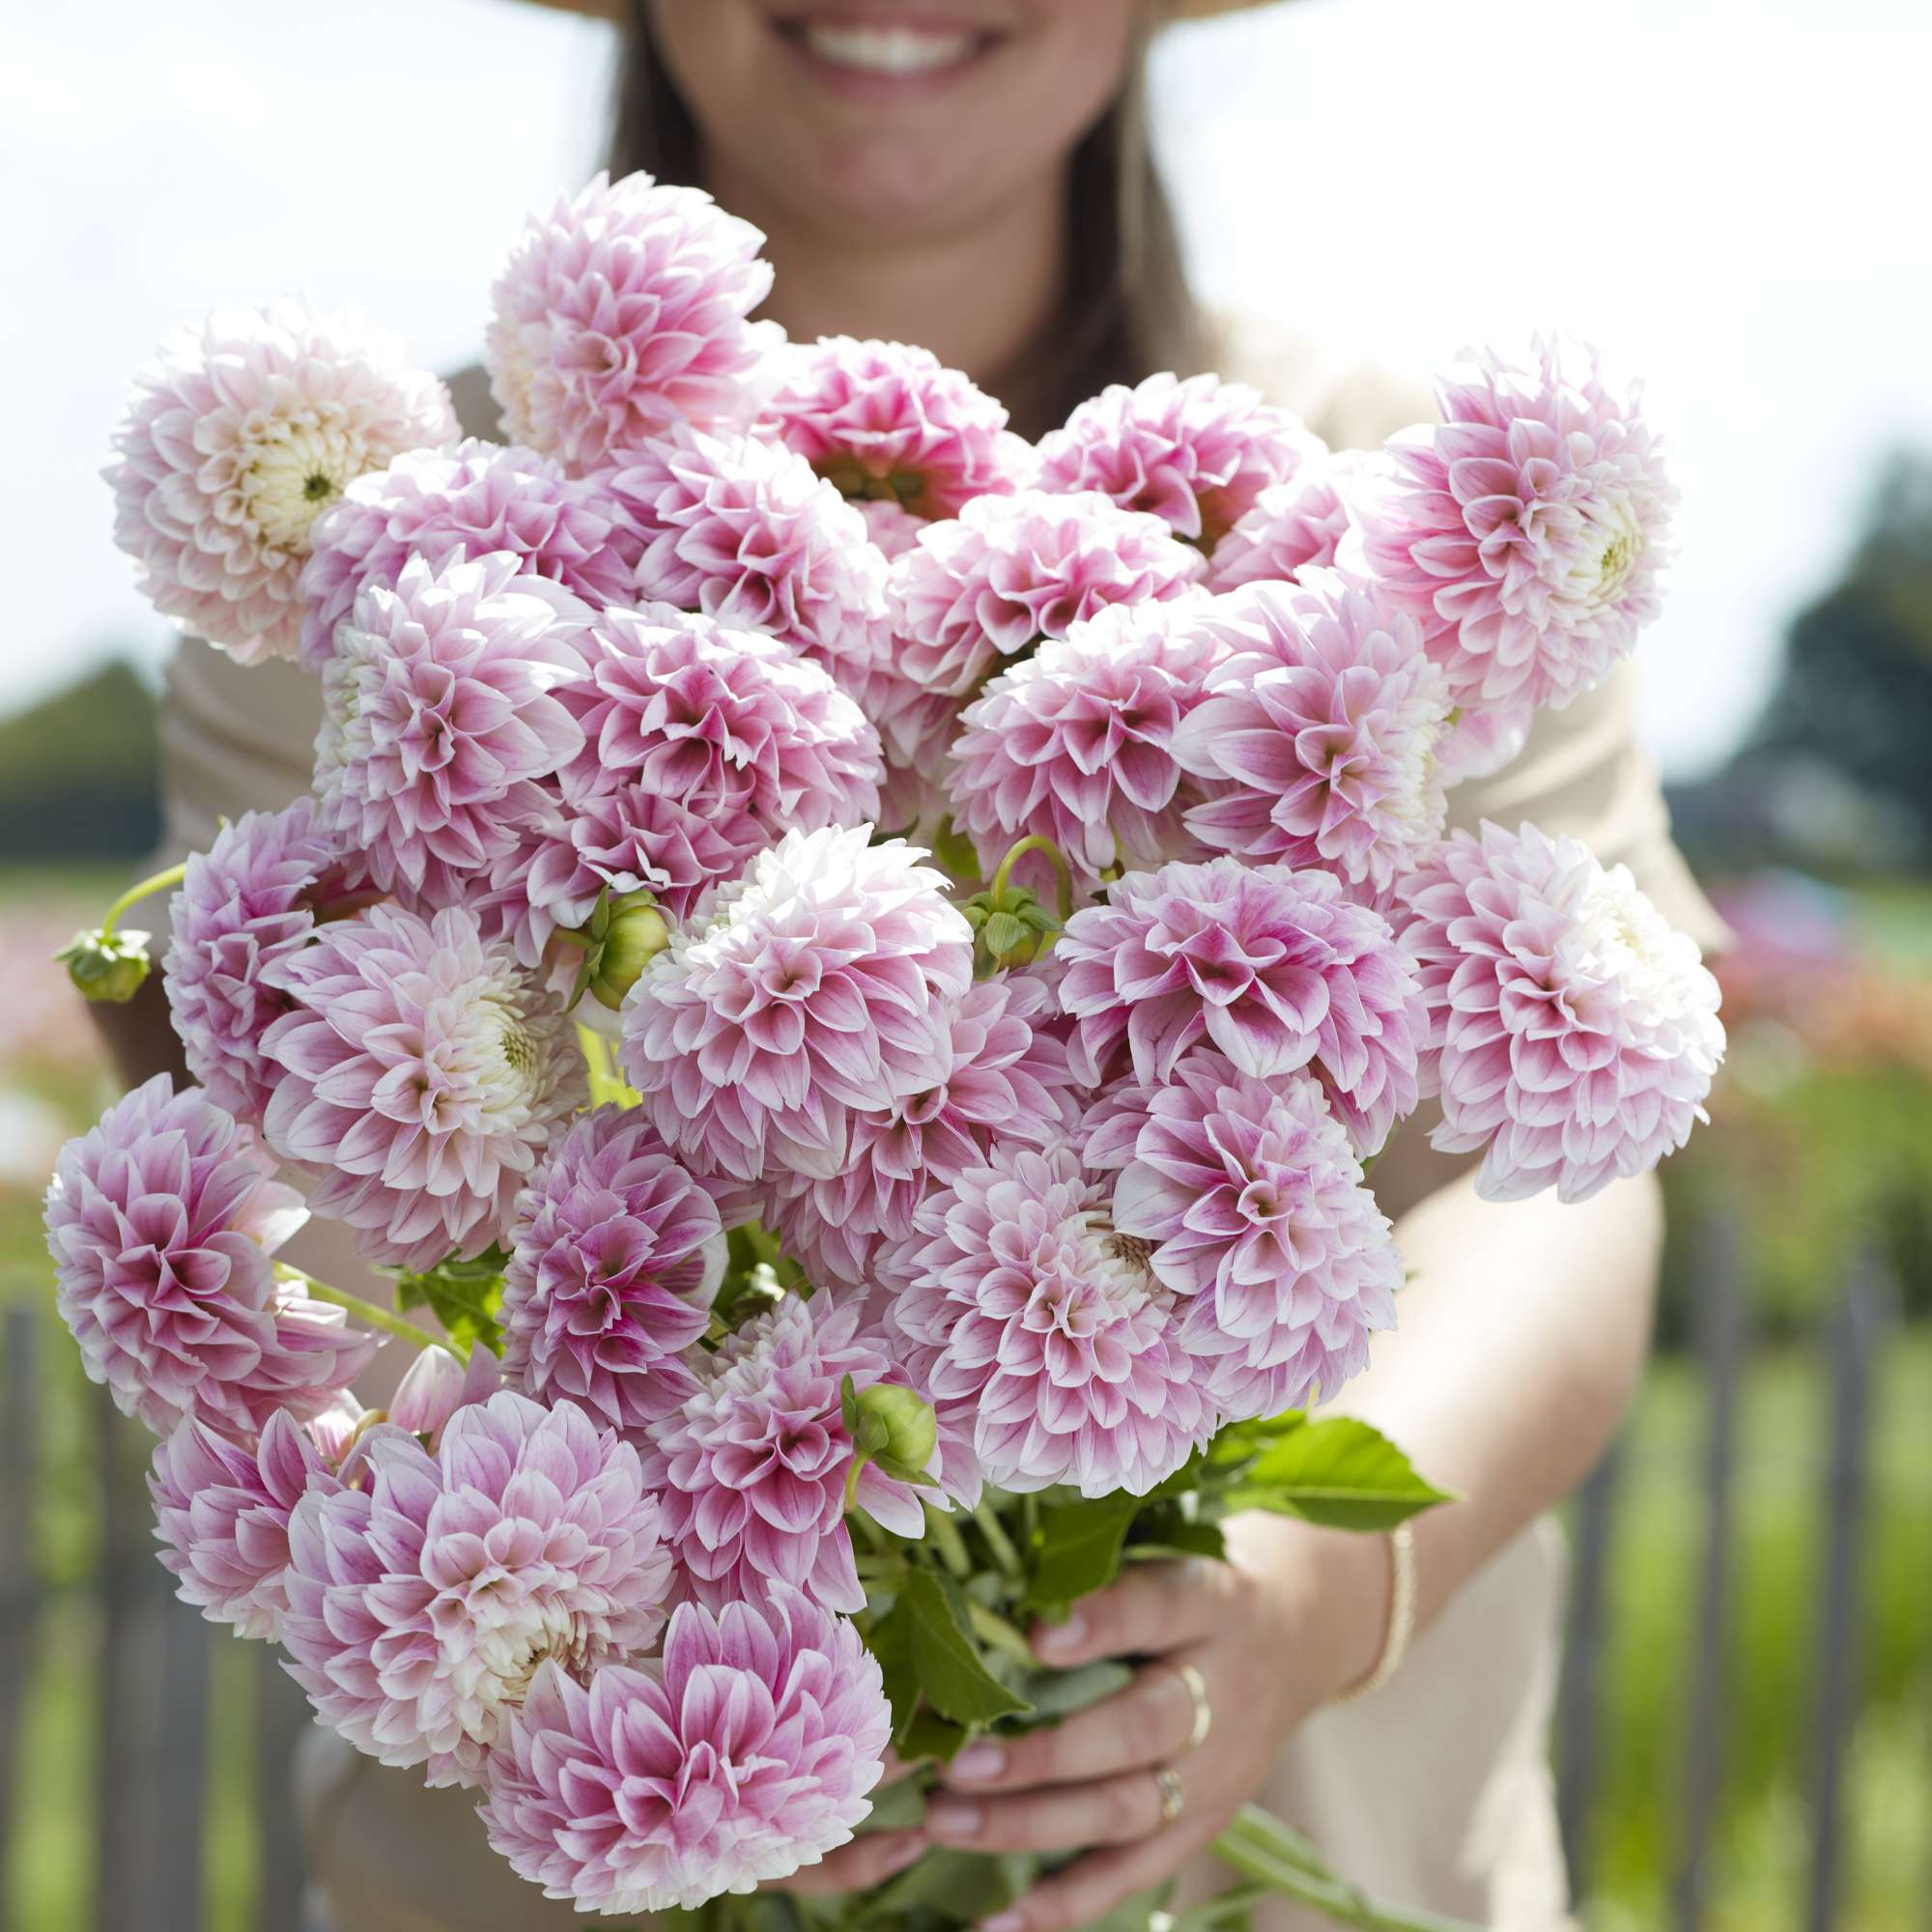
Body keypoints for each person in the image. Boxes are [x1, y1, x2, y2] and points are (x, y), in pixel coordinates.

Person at [114, 3, 1725, 1926]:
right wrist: (612, 1569)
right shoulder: (400, 548)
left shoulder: (1403, 524)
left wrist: (1308, 1597)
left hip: (1303, 1848)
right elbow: (316, 1202)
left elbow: (1556, 1189)